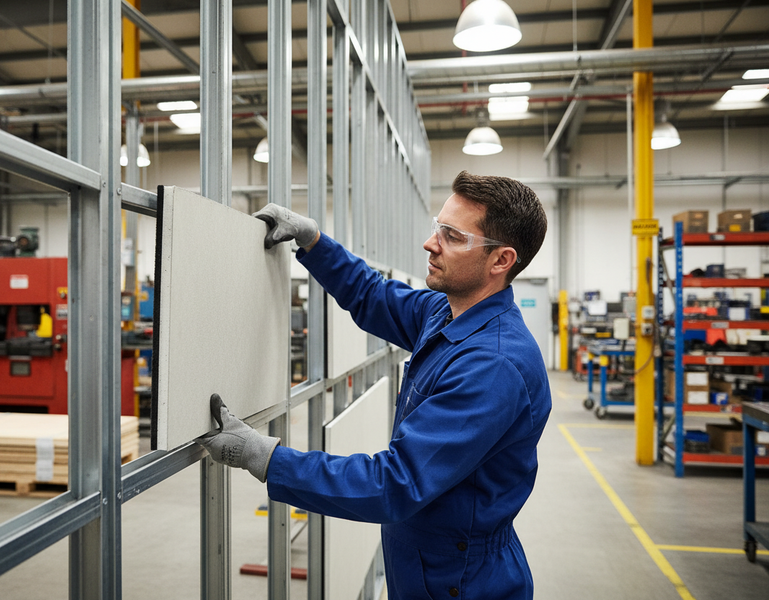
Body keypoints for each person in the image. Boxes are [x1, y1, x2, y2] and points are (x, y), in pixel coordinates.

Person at [197, 171, 551, 600]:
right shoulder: (447, 312)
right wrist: (315, 243)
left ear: (501, 261)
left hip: (460, 581)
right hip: (426, 562)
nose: (431, 243)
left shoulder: (492, 365)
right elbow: (374, 296)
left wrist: (266, 457)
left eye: (453, 236)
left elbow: (395, 483)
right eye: (438, 227)